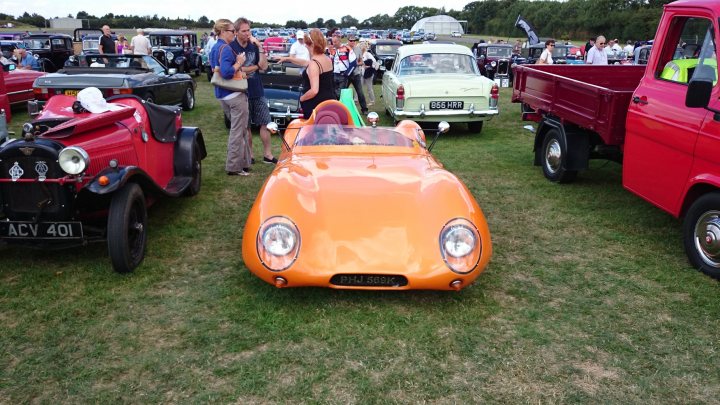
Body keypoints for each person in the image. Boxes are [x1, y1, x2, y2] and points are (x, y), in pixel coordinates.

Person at [230, 17, 276, 165]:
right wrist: (255, 67)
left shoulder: (254, 46)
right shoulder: (231, 47)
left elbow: (265, 66)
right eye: (243, 31)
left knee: (265, 122)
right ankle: (250, 155)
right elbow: (238, 69)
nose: (247, 33)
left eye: (248, 30)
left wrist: (260, 46)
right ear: (236, 32)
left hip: (257, 90)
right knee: (246, 126)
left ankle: (267, 154)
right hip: (241, 91)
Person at [210, 19, 251, 176]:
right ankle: (235, 167)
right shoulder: (226, 48)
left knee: (239, 131)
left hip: (223, 95)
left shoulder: (215, 48)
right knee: (238, 131)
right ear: (222, 32)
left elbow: (217, 70)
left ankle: (244, 163)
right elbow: (227, 72)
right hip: (234, 94)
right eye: (231, 31)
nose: (234, 34)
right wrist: (239, 62)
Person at [280, 29, 334, 119]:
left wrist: (302, 98)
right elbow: (305, 63)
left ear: (310, 45)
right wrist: (287, 59)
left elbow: (314, 90)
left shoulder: (314, 63)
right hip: (329, 101)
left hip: (315, 104)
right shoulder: (326, 59)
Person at [328, 29, 357, 102]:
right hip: (334, 75)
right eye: (332, 42)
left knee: (340, 94)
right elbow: (330, 62)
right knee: (334, 93)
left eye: (335, 42)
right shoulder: (332, 50)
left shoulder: (347, 48)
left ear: (340, 40)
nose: (333, 43)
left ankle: (342, 108)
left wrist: (347, 73)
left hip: (343, 75)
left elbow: (354, 63)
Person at [345, 35, 368, 114]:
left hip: (356, 74)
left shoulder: (358, 49)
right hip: (346, 74)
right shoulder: (344, 49)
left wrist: (355, 64)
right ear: (348, 41)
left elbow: (362, 62)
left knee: (360, 92)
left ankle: (364, 109)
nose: (352, 42)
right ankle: (339, 107)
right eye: (351, 40)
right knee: (342, 91)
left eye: (354, 40)